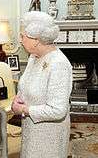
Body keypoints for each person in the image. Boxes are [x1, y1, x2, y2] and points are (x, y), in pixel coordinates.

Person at [11, 11, 72, 158]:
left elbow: (58, 110)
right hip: (31, 131)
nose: (20, 40)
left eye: (22, 35)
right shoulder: (34, 56)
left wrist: (24, 109)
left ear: (36, 39)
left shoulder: (59, 64)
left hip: (49, 136)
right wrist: (17, 99)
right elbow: (26, 85)